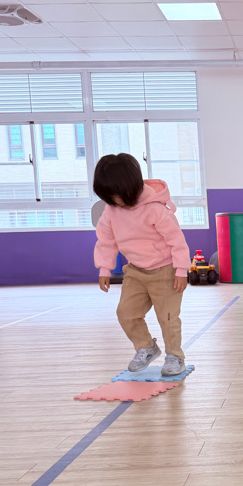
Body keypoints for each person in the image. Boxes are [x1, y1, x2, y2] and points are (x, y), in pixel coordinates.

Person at [93, 153, 190, 377]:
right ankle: (146, 347)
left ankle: (175, 356)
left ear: (131, 187)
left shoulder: (155, 209)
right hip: (135, 271)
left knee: (168, 316)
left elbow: (177, 240)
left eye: (118, 195)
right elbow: (106, 240)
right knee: (126, 313)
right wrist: (105, 268)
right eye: (110, 197)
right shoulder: (111, 211)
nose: (116, 201)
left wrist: (181, 270)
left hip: (165, 270)